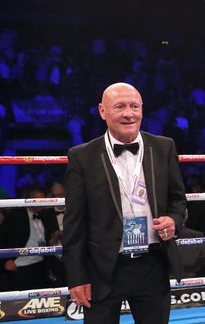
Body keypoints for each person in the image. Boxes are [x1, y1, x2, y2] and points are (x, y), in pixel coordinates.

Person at [63, 82, 186, 324]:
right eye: (119, 106)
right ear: (102, 111)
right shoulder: (82, 156)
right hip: (103, 268)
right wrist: (77, 277)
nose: (128, 113)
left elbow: (177, 199)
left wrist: (174, 220)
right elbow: (74, 223)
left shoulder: (164, 146)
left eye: (134, 106)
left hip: (152, 264)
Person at [0, 189, 59, 290]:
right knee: (19, 301)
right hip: (20, 265)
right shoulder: (15, 216)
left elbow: (48, 240)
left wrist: (55, 237)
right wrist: (5, 261)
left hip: (40, 265)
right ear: (29, 200)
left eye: (43, 200)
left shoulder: (46, 216)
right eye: (37, 200)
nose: (40, 202)